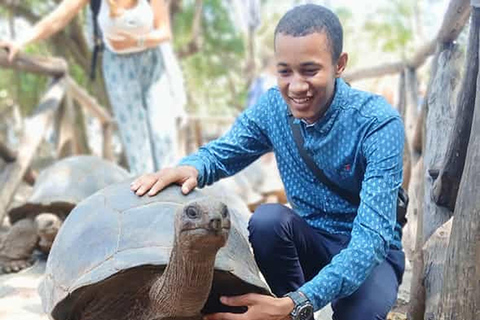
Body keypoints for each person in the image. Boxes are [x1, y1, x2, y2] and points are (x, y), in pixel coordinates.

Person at [131, 4, 405, 320]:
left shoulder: (378, 124)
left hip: (371, 254)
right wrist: (191, 167)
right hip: (310, 241)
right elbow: (223, 153)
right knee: (267, 221)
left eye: (310, 70)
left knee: (360, 315)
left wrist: (296, 303)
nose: (296, 86)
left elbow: (370, 241)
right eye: (285, 71)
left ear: (339, 64)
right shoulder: (273, 109)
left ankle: (288, 309)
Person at [0, 0, 184, 175]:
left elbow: (165, 32)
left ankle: (173, 199)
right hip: (118, 69)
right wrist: (19, 42)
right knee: (137, 144)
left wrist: (136, 41)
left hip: (153, 64)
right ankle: (148, 200)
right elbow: (58, 18)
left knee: (163, 136)